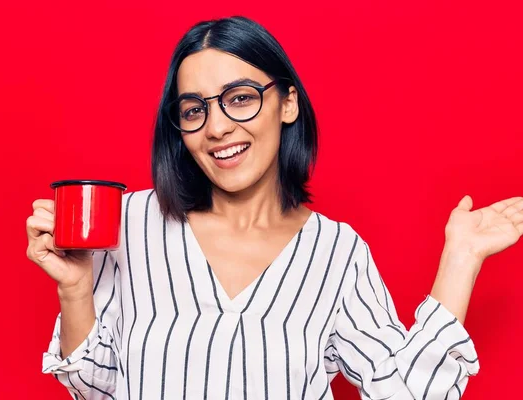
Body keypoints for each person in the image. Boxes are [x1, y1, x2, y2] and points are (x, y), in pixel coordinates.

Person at [26, 16, 523, 400]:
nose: (217, 127)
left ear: (288, 104)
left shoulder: (335, 252)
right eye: (194, 109)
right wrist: (75, 289)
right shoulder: (129, 224)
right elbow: (95, 387)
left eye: (239, 98)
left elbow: (405, 391)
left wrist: (462, 258)